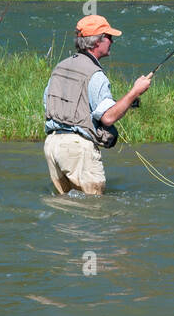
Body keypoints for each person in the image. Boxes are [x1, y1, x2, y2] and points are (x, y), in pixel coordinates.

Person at [43, 15, 152, 195]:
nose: (112, 41)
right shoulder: (95, 74)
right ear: (96, 42)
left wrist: (127, 102)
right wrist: (135, 91)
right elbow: (108, 117)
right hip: (78, 149)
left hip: (52, 146)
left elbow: (49, 103)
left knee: (65, 212)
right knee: (95, 210)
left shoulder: (60, 67)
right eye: (109, 37)